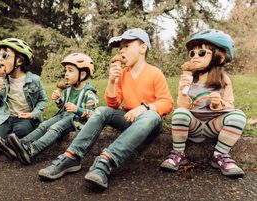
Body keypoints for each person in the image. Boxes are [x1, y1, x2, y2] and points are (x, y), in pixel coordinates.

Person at [38, 28, 174, 189]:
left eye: (127, 46)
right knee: (101, 111)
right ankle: (71, 156)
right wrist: (111, 81)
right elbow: (113, 105)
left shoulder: (154, 73)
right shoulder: (123, 74)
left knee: (151, 116)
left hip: (149, 123)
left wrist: (144, 108)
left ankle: (105, 161)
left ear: (143, 48)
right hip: (128, 119)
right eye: (120, 47)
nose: (122, 50)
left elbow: (167, 102)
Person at [160, 29, 247, 178]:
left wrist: (219, 103)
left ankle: (220, 155)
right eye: (192, 53)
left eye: (201, 53)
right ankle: (178, 153)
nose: (194, 57)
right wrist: (182, 90)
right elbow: (183, 107)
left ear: (218, 57)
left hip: (214, 125)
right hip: (194, 126)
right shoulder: (189, 78)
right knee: (180, 113)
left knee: (238, 116)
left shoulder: (224, 79)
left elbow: (230, 105)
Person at [0, 53, 99, 165]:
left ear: (82, 74)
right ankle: (19, 144)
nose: (66, 74)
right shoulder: (68, 89)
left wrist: (78, 110)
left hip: (75, 120)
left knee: (55, 128)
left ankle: (32, 150)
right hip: (64, 115)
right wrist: (59, 101)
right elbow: (64, 107)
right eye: (66, 70)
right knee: (43, 125)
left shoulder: (89, 92)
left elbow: (93, 114)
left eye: (70, 71)